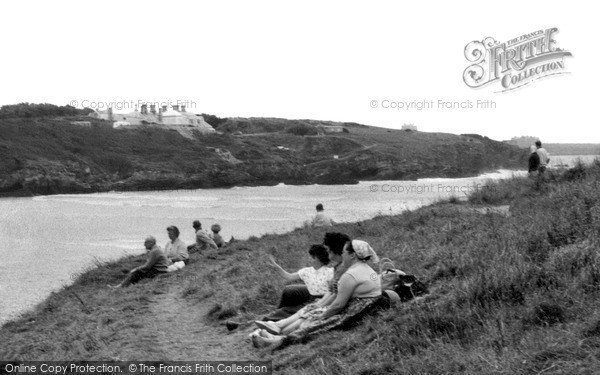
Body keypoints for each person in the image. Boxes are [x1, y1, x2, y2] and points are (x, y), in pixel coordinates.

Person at [252, 239, 381, 348]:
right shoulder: (366, 269)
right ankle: (279, 335)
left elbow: (338, 305)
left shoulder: (350, 275)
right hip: (364, 308)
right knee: (313, 312)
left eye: (344, 253)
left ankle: (278, 340)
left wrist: (322, 315)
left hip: (354, 312)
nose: (342, 255)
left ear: (353, 255)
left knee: (314, 320)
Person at [262, 244, 333, 321]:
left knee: (295, 312)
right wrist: (277, 267)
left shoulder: (330, 272)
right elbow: (289, 276)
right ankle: (273, 317)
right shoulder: (307, 271)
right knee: (287, 302)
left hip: (324, 300)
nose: (309, 259)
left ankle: (273, 320)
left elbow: (332, 291)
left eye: (313, 258)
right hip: (311, 298)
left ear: (321, 259)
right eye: (310, 256)